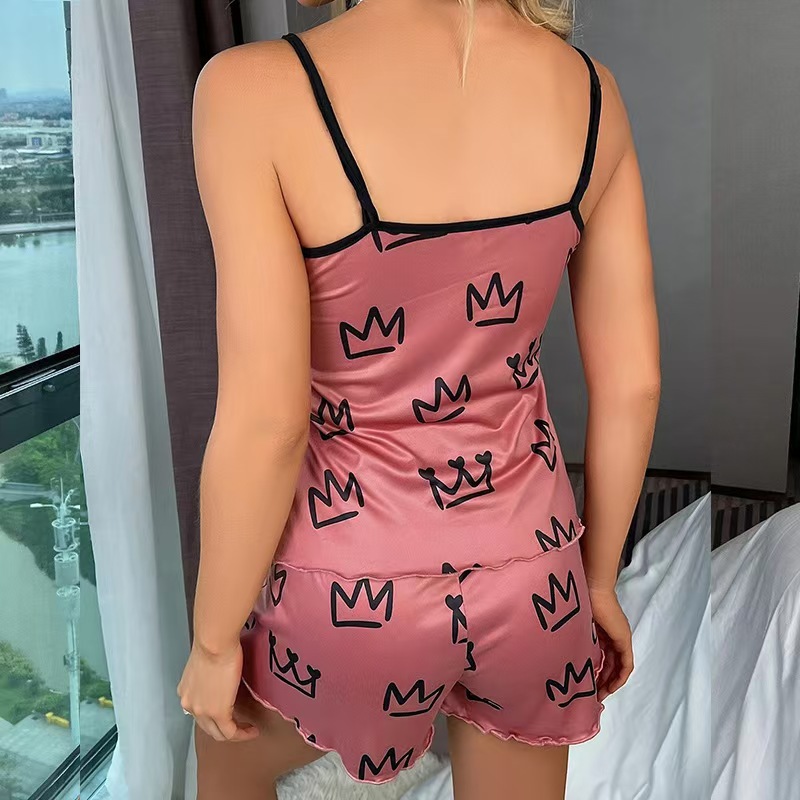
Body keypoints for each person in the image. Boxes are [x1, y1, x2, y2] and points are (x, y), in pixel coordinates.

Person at [178, 0, 660, 797]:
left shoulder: (251, 89)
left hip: (350, 587)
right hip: (535, 578)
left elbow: (268, 423)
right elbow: (633, 385)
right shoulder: (593, 94)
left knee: (226, 759)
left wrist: (211, 640)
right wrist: (599, 580)